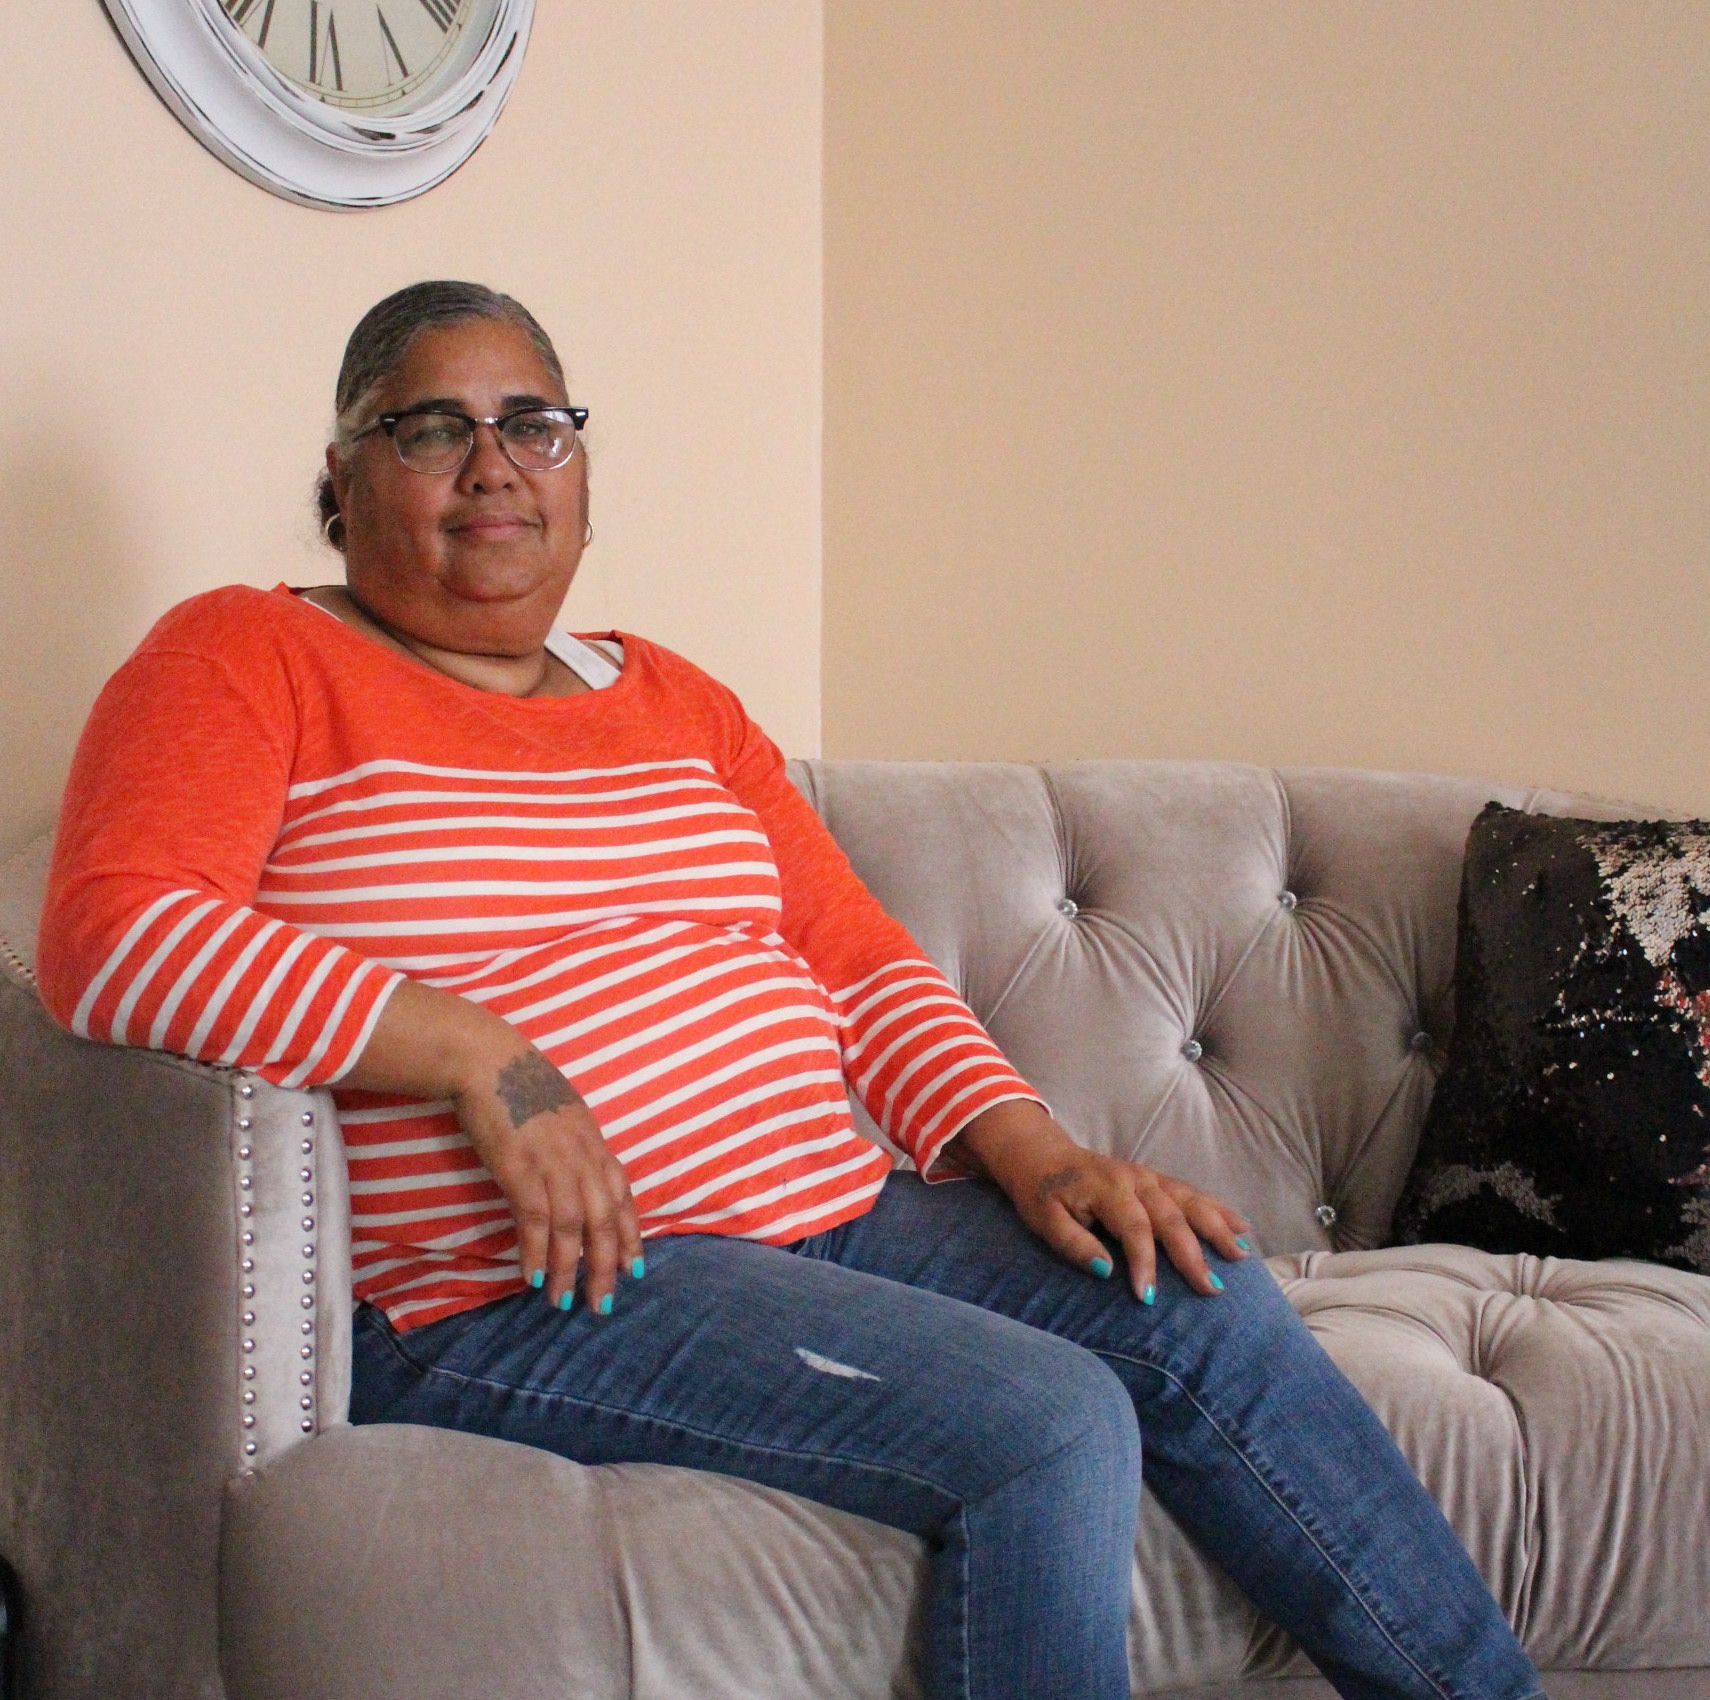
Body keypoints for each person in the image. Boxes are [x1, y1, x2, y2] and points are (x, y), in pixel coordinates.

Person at [37, 281, 1546, 1700]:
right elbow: (114, 934)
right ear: (342, 472)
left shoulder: (676, 697)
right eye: (430, 426)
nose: (491, 464)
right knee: (1045, 1426)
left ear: (578, 463)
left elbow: (857, 961)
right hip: (518, 1286)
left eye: (533, 423)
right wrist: (483, 1056)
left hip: (834, 1217)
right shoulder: (243, 655)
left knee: (1195, 1305)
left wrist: (1039, 1156)